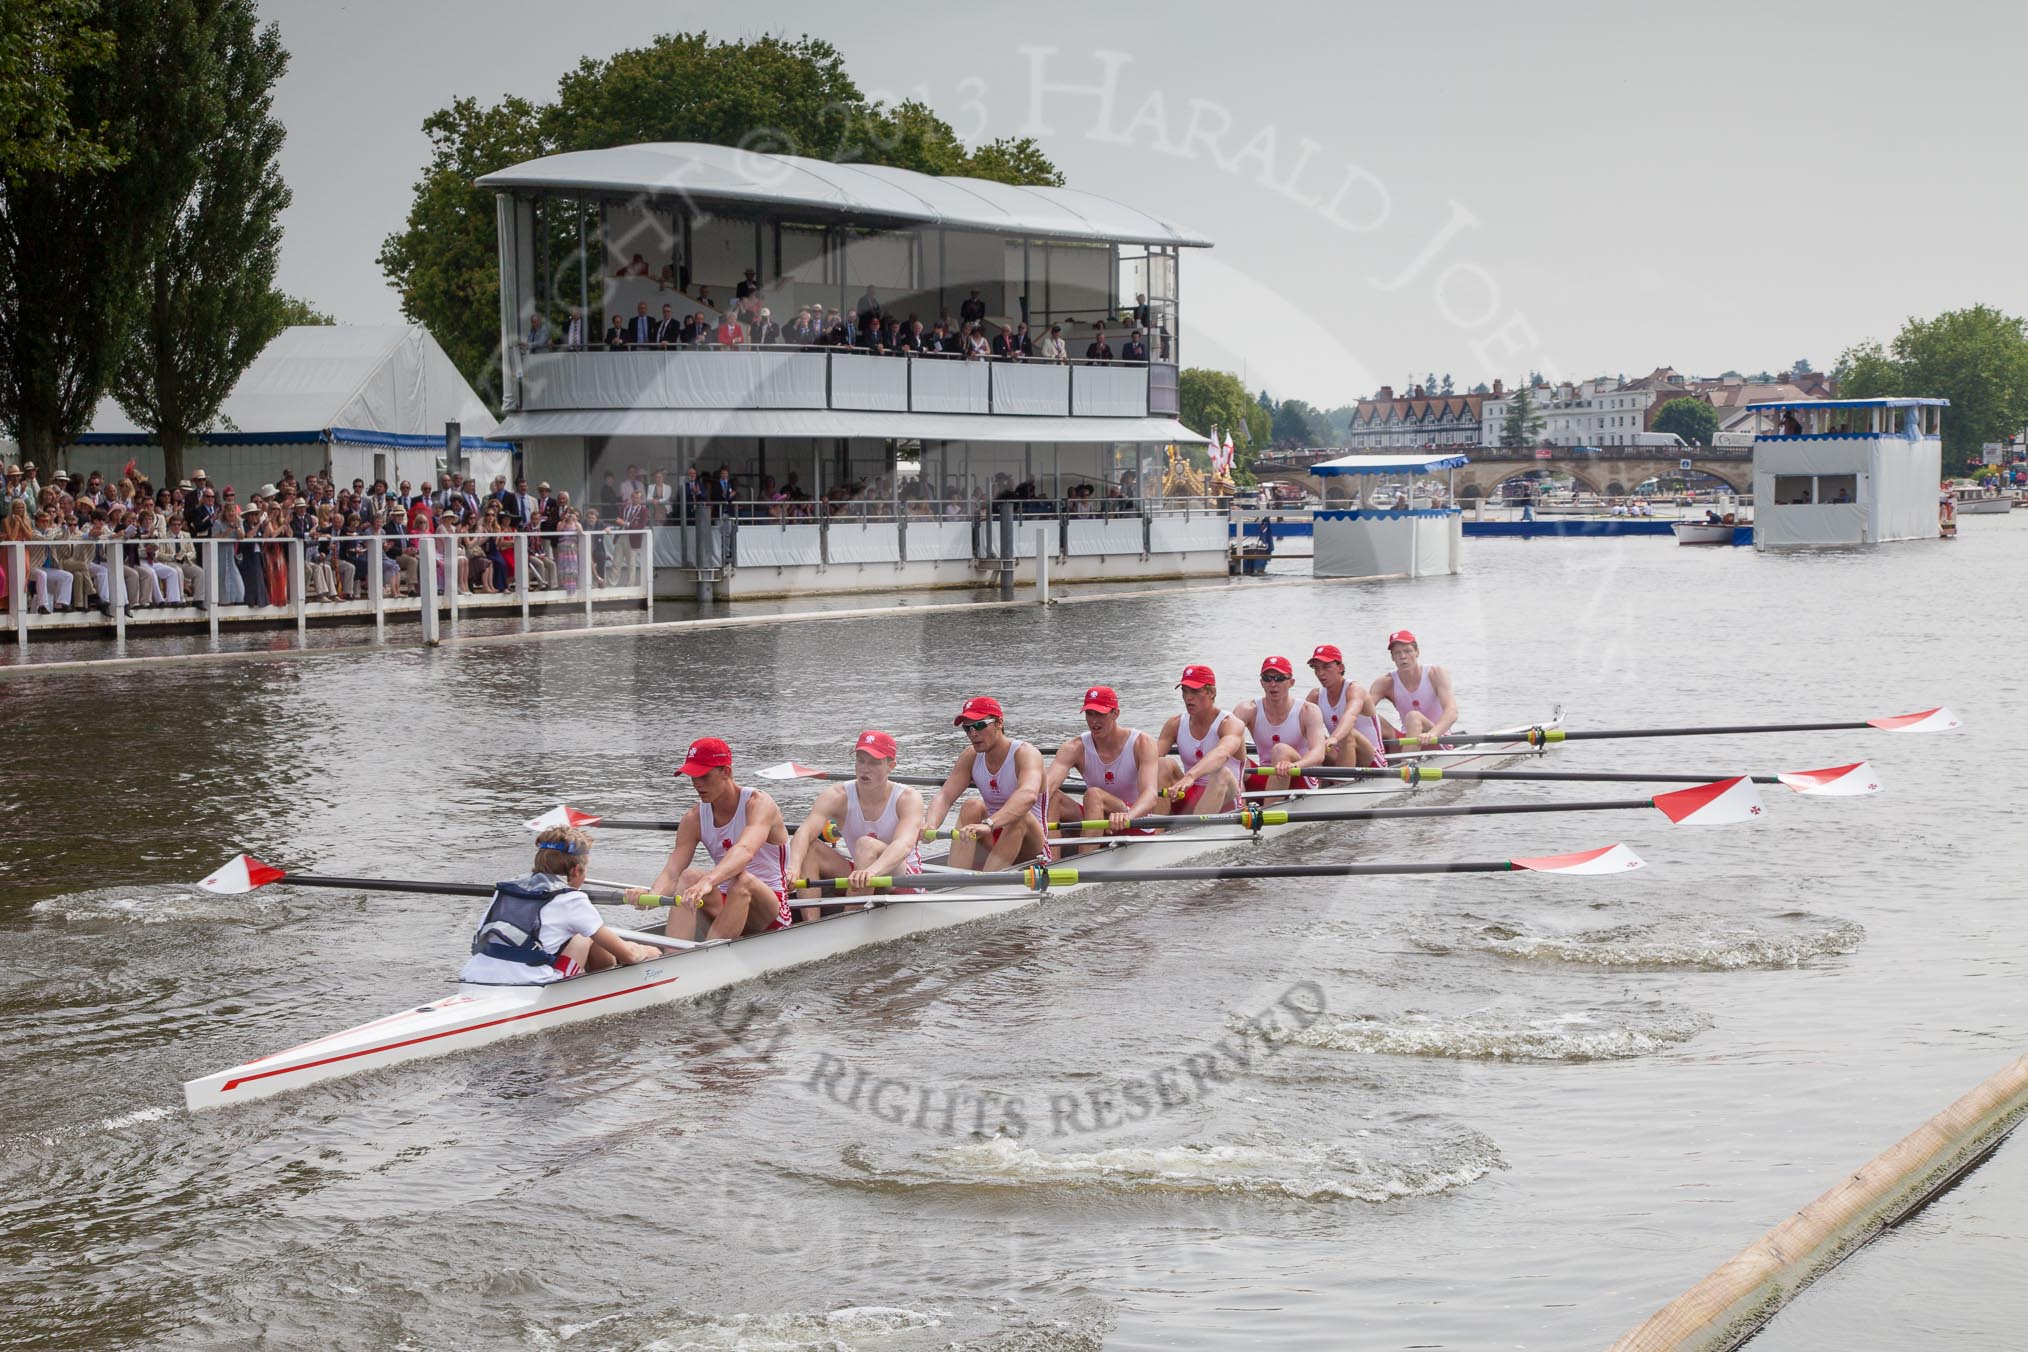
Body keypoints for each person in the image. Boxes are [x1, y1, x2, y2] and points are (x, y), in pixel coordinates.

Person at [626, 738, 795, 940]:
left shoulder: (758, 804)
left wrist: (708, 881)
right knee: (688, 877)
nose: (697, 784)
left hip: (770, 910)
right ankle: (674, 958)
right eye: (692, 777)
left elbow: (744, 850)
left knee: (742, 881)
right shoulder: (693, 818)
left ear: (727, 772)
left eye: (704, 776)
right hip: (724, 904)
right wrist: (652, 895)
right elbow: (672, 873)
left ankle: (709, 957)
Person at [458, 826, 660, 984]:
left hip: (475, 976)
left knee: (583, 933)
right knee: (588, 935)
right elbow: (631, 956)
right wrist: (649, 952)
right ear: (576, 871)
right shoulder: (571, 899)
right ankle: (609, 985)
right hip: (529, 983)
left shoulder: (506, 888)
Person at [785, 729, 926, 920]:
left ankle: (847, 921)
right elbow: (805, 832)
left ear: (890, 766)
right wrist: (793, 868)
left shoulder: (908, 798)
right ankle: (811, 924)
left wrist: (871, 872)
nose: (864, 768)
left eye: (874, 762)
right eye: (860, 760)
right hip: (862, 873)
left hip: (901, 879)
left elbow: (903, 845)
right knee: (810, 847)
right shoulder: (836, 795)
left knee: (866, 844)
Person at [922, 696, 1051, 871]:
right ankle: (955, 881)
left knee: (1021, 816)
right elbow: (945, 796)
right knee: (971, 806)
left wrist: (988, 824)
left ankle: (984, 883)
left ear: (999, 722)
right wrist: (930, 824)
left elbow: (1027, 795)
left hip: (1032, 846)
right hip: (993, 837)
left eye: (980, 725)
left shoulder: (1025, 753)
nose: (973, 733)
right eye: (967, 728)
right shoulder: (970, 756)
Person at [1043, 686, 1161, 854]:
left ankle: (1084, 864)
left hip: (1133, 819)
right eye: (1089, 714)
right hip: (1096, 817)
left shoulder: (1142, 743)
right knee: (1052, 797)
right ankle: (1050, 862)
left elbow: (1150, 795)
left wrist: (1128, 816)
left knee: (1093, 795)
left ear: (1115, 713)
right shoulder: (1074, 747)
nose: (1093, 721)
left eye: (1100, 714)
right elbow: (1046, 788)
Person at [1231, 656, 1328, 802]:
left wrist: (1294, 765)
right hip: (1265, 777)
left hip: (1299, 778)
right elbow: (1224, 741)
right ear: (1261, 682)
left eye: (1279, 678)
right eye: (1267, 678)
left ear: (1291, 682)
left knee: (1280, 750)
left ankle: (1268, 815)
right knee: (1232, 756)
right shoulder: (1247, 709)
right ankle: (1239, 809)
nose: (1273, 684)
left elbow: (1318, 754)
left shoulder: (1308, 711)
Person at [1152, 664, 1247, 814]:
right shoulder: (1174, 724)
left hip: (1226, 799)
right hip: (1190, 794)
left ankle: (1194, 831)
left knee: (1221, 773)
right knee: (1162, 764)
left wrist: (1190, 776)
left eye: (1195, 691)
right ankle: (1155, 832)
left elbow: (1222, 754)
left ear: (1212, 692)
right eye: (1185, 691)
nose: (1188, 697)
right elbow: (1149, 761)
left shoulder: (1230, 724)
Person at [1371, 629, 1458, 742]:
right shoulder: (1384, 683)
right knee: (1373, 719)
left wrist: (1432, 734)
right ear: (1392, 657)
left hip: (1437, 737)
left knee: (1413, 717)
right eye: (1397, 653)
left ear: (1417, 652)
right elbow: (1363, 710)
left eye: (1407, 651)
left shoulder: (1435, 674)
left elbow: (1452, 711)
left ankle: (1407, 759)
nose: (1402, 656)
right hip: (1407, 738)